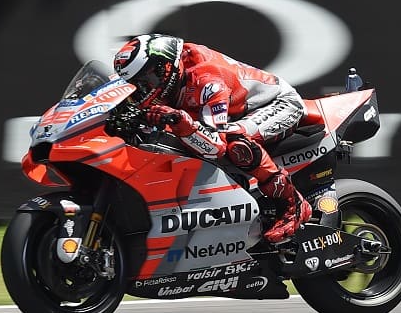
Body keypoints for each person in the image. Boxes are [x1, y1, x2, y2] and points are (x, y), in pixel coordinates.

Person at [113, 34, 312, 243]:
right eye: (136, 85)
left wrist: (183, 124)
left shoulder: (208, 80)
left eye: (146, 82)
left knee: (236, 142)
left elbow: (216, 146)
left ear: (166, 68)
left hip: (277, 104)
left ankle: (293, 205)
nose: (143, 91)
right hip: (233, 112)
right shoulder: (169, 72)